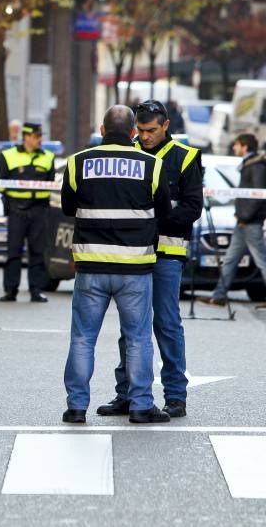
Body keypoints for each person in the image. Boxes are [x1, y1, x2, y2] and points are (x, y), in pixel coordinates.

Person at [61, 105, 172, 424]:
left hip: (91, 266)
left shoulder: (77, 162)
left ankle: (77, 407)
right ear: (134, 132)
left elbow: (69, 208)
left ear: (101, 130)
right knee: (138, 337)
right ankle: (140, 405)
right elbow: (163, 210)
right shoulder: (152, 164)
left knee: (83, 338)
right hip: (135, 268)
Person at [97, 100, 203, 420]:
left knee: (166, 324)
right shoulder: (129, 154)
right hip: (132, 254)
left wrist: (153, 221)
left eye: (151, 131)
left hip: (167, 254)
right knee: (131, 327)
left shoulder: (185, 157)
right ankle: (127, 394)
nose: (145, 137)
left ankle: (175, 396)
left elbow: (193, 207)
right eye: (140, 131)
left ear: (166, 126)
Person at [200, 134, 266, 306]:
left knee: (262, 260)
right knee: (230, 259)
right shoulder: (249, 164)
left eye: (237, 145)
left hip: (250, 222)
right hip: (243, 222)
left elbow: (258, 195)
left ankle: (219, 295)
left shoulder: (256, 165)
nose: (234, 148)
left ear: (245, 146)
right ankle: (219, 296)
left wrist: (245, 216)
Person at [0, 122, 56, 303]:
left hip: (39, 210)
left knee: (38, 251)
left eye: (40, 136)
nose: (40, 140)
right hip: (16, 210)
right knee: (13, 251)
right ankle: (10, 290)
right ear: (27, 136)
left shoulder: (48, 157)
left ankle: (36, 290)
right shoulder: (8, 155)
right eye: (37, 136)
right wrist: (10, 203)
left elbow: (51, 182)